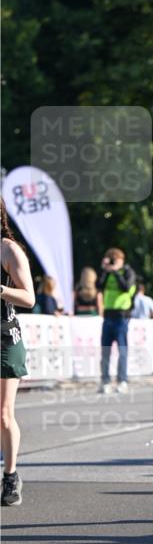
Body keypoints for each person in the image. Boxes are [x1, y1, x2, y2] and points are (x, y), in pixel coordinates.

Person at [1, 198, 35, 506]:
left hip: (4, 340)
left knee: (3, 413)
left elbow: (29, 297)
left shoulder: (8, 249)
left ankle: (10, 476)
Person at [97, 247, 136, 394]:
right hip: (108, 315)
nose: (113, 262)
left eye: (115, 259)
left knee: (122, 349)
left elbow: (125, 287)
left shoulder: (128, 272)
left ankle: (122, 380)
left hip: (122, 316)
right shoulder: (107, 273)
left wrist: (115, 271)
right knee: (105, 350)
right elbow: (98, 286)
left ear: (121, 260)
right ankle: (105, 380)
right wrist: (105, 270)